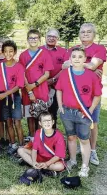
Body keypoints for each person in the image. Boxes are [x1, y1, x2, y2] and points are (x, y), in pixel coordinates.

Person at [64, 23, 106, 166]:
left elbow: (94, 65)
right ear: (79, 34)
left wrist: (76, 63)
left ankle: (92, 150)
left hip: (91, 95)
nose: (85, 34)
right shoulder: (72, 49)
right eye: (83, 32)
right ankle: (75, 149)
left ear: (94, 34)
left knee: (92, 122)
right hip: (73, 93)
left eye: (89, 32)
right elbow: (64, 65)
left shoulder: (99, 48)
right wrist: (87, 66)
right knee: (73, 121)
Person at [56, 47, 101, 177]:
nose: (76, 59)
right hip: (67, 112)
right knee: (70, 137)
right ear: (70, 59)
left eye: (80, 57)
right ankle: (73, 160)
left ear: (85, 59)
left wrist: (90, 110)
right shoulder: (65, 73)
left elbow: (97, 95)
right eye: (74, 56)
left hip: (83, 113)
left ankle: (85, 166)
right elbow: (59, 89)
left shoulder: (91, 75)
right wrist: (60, 105)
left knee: (84, 139)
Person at [19, 29, 53, 141]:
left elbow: (47, 74)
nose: (33, 40)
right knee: (30, 114)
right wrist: (29, 90)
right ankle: (32, 137)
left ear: (39, 39)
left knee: (41, 115)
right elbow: (21, 73)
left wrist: (34, 85)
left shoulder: (45, 54)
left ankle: (40, 138)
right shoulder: (23, 55)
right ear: (27, 40)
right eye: (31, 38)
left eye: (35, 38)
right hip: (27, 89)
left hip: (41, 89)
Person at [0, 40, 25, 154]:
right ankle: (13, 144)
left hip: (14, 97)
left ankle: (22, 146)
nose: (8, 54)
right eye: (6, 51)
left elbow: (19, 85)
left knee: (17, 122)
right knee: (8, 122)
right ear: (2, 52)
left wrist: (5, 94)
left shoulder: (19, 66)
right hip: (3, 98)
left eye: (11, 51)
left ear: (15, 52)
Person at [17, 112, 66, 177]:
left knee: (60, 166)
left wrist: (46, 164)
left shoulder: (59, 136)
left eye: (49, 120)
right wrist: (34, 161)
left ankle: (36, 165)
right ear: (40, 123)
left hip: (52, 159)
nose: (47, 123)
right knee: (20, 150)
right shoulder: (38, 132)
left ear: (53, 122)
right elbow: (34, 150)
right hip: (39, 156)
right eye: (44, 121)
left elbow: (57, 156)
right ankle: (37, 166)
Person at [40, 29, 68, 128]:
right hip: (40, 86)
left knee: (52, 112)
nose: (51, 38)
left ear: (58, 39)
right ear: (45, 37)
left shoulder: (63, 52)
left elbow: (65, 69)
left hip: (56, 87)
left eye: (54, 37)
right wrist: (43, 80)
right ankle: (38, 136)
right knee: (40, 112)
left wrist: (53, 80)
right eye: (49, 36)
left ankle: (52, 134)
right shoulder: (38, 50)